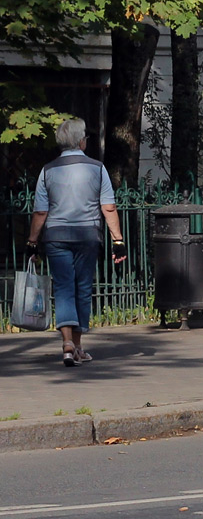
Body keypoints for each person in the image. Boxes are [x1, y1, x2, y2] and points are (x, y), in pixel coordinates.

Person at [24, 119, 124, 367]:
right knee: (82, 287)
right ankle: (78, 346)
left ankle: (67, 344)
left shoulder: (48, 170)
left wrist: (32, 241)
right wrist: (118, 240)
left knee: (63, 288)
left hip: (56, 237)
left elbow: (41, 212)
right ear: (81, 141)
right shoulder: (97, 168)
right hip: (88, 236)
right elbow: (109, 207)